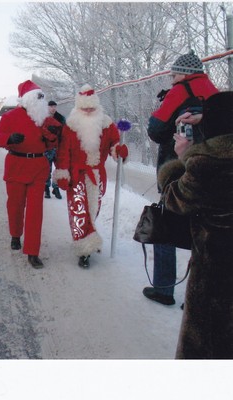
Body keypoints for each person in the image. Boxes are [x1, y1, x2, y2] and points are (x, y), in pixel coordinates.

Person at [157, 91, 233, 358]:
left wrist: (182, 158)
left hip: (216, 274)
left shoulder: (205, 164)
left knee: (205, 342)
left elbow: (174, 199)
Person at [143, 50, 218, 306]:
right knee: (205, 229)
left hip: (176, 167)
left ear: (184, 74)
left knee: (167, 222)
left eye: (174, 74)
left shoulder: (179, 91)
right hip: (210, 169)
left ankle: (164, 289)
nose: (172, 79)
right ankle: (198, 296)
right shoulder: (215, 93)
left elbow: (155, 130)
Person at [54, 85, 125, 268]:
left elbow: (114, 143)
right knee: (79, 211)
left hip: (97, 175)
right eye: (84, 107)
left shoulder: (106, 122)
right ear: (78, 107)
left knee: (93, 210)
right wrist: (62, 172)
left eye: (91, 107)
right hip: (77, 175)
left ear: (96, 106)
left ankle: (89, 237)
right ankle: (84, 251)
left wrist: (118, 150)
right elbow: (63, 152)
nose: (87, 111)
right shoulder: (71, 124)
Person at [0, 80, 59, 268]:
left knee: (35, 211)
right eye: (37, 97)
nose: (41, 100)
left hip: (38, 167)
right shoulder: (10, 116)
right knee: (15, 205)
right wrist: (9, 138)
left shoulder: (45, 118)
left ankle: (32, 251)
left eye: (42, 97)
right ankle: (15, 234)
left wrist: (53, 135)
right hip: (16, 166)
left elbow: (53, 142)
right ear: (27, 99)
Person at [44, 100, 66, 199]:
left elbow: (65, 133)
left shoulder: (60, 118)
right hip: (46, 148)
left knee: (58, 168)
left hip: (58, 148)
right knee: (46, 169)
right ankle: (46, 188)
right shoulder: (43, 118)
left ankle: (56, 187)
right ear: (47, 107)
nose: (53, 108)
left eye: (54, 106)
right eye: (51, 106)